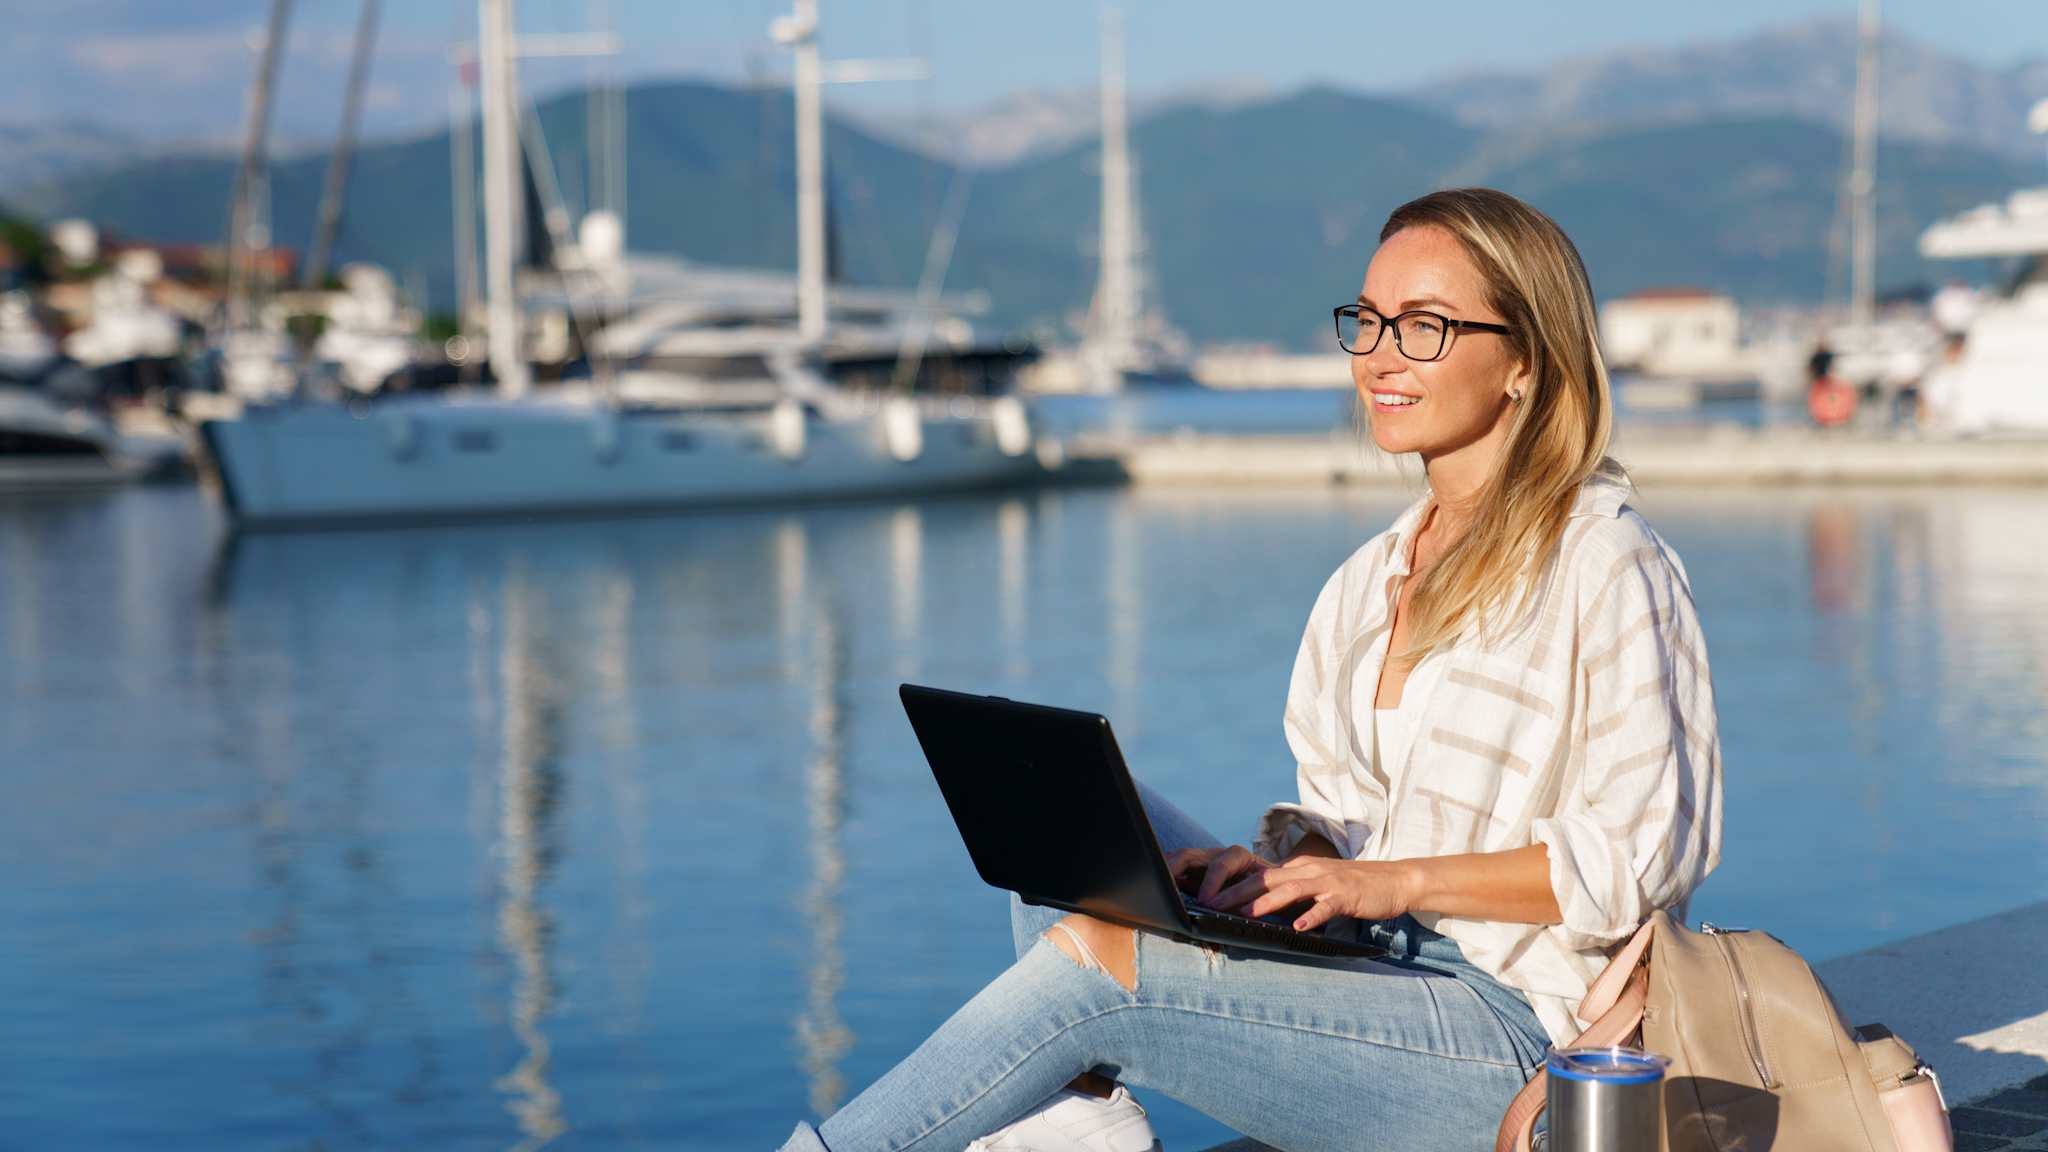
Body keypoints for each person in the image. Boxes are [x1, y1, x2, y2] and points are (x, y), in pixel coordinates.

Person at [775, 187, 1723, 1152]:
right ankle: (1082, 1113)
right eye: (1369, 320)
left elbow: (1636, 861)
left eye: (1425, 326)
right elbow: (1359, 834)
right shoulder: (1367, 582)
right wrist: (1284, 871)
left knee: (1097, 966)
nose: (1380, 355)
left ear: (1525, 359)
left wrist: (1391, 882)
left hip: (1521, 1035)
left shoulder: (1606, 560)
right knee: (1070, 844)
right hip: (1378, 969)